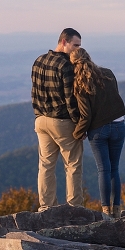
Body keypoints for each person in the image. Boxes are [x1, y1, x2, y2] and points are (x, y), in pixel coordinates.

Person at [69, 48, 125, 219]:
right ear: (89, 57)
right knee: (114, 168)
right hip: (118, 124)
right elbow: (114, 96)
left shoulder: (79, 84)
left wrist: (77, 133)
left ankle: (106, 211)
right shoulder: (108, 73)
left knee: (103, 170)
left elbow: (86, 115)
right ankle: (117, 208)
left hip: (98, 130)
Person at [31, 28, 84, 211]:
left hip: (41, 120)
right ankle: (74, 207)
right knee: (73, 165)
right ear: (64, 42)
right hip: (61, 121)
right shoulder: (66, 66)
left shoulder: (38, 61)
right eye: (75, 45)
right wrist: (79, 124)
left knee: (46, 165)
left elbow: (34, 93)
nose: (77, 49)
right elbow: (70, 99)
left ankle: (46, 207)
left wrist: (38, 114)